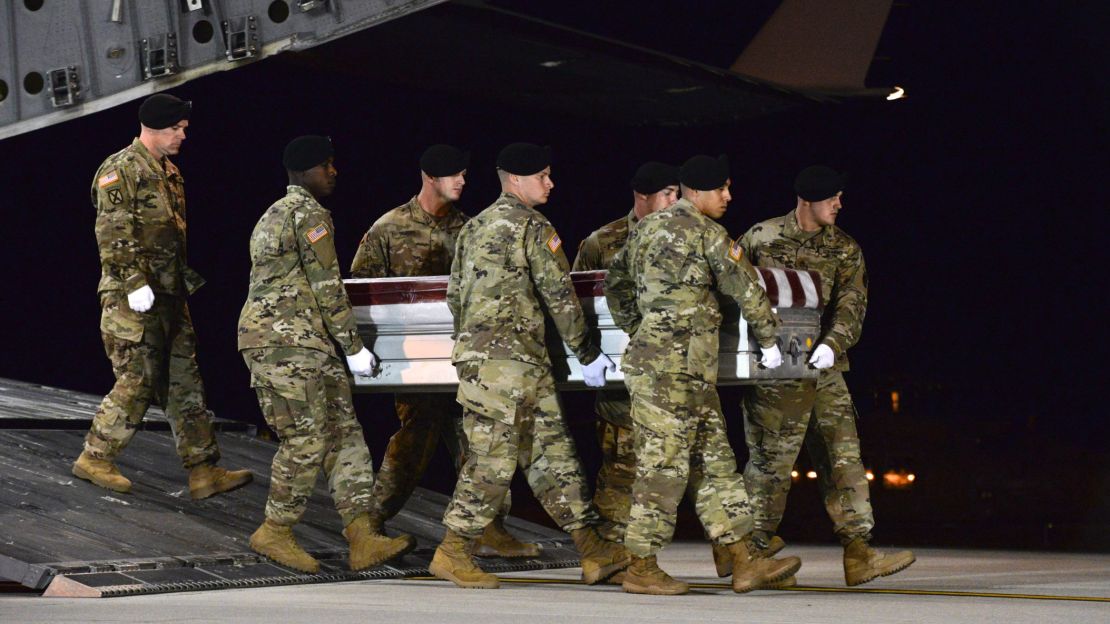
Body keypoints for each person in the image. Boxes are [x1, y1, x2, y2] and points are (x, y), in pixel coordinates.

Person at [430, 142, 627, 589]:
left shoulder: (474, 228)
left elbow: (455, 296)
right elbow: (560, 296)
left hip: (504, 362)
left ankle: (592, 550)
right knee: (493, 460)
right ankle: (453, 550)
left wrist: (474, 346)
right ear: (516, 180)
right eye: (543, 176)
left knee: (552, 455)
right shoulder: (533, 226)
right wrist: (589, 354)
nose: (550, 184)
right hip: (509, 364)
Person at [605, 154, 801, 595]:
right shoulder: (709, 234)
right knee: (665, 467)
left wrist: (639, 326)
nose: (728, 197)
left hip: (683, 370)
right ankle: (640, 564)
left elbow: (614, 283)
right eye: (721, 189)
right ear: (696, 192)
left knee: (717, 464)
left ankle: (742, 558)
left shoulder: (645, 229)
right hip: (670, 373)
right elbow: (746, 287)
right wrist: (769, 341)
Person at [350, 144, 537, 558]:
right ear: (430, 178)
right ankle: (370, 523)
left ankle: (490, 527)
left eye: (465, 174)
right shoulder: (389, 228)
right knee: (415, 442)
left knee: (481, 444)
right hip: (415, 361)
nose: (462, 181)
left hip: (465, 355)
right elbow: (361, 291)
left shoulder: (470, 229)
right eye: (454, 175)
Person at [238, 135, 413, 574]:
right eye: (327, 165)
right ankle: (274, 530)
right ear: (306, 171)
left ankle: (361, 536)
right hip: (286, 344)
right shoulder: (308, 214)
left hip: (304, 342)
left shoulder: (272, 214)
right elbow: (326, 285)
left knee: (344, 434)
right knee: (306, 437)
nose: (334, 172)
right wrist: (354, 348)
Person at [736, 165, 915, 586]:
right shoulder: (760, 238)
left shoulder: (845, 248)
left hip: (824, 369)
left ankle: (859, 551)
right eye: (832, 197)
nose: (839, 204)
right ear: (807, 200)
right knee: (770, 463)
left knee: (843, 456)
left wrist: (833, 345)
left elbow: (853, 304)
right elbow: (732, 291)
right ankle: (753, 555)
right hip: (774, 372)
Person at [73, 93, 252, 500]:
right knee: (138, 378)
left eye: (184, 128)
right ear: (155, 128)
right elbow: (113, 232)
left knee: (185, 380)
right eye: (177, 129)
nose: (183, 135)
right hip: (131, 297)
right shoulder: (121, 169)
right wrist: (134, 283)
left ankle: (203, 470)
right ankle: (95, 456)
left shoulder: (168, 172)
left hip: (169, 295)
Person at [571, 161, 679, 542]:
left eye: (677, 193)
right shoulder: (603, 242)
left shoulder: (683, 237)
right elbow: (577, 304)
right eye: (667, 194)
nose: (674, 201)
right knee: (621, 469)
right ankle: (610, 550)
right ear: (642, 196)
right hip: (620, 381)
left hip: (672, 375)